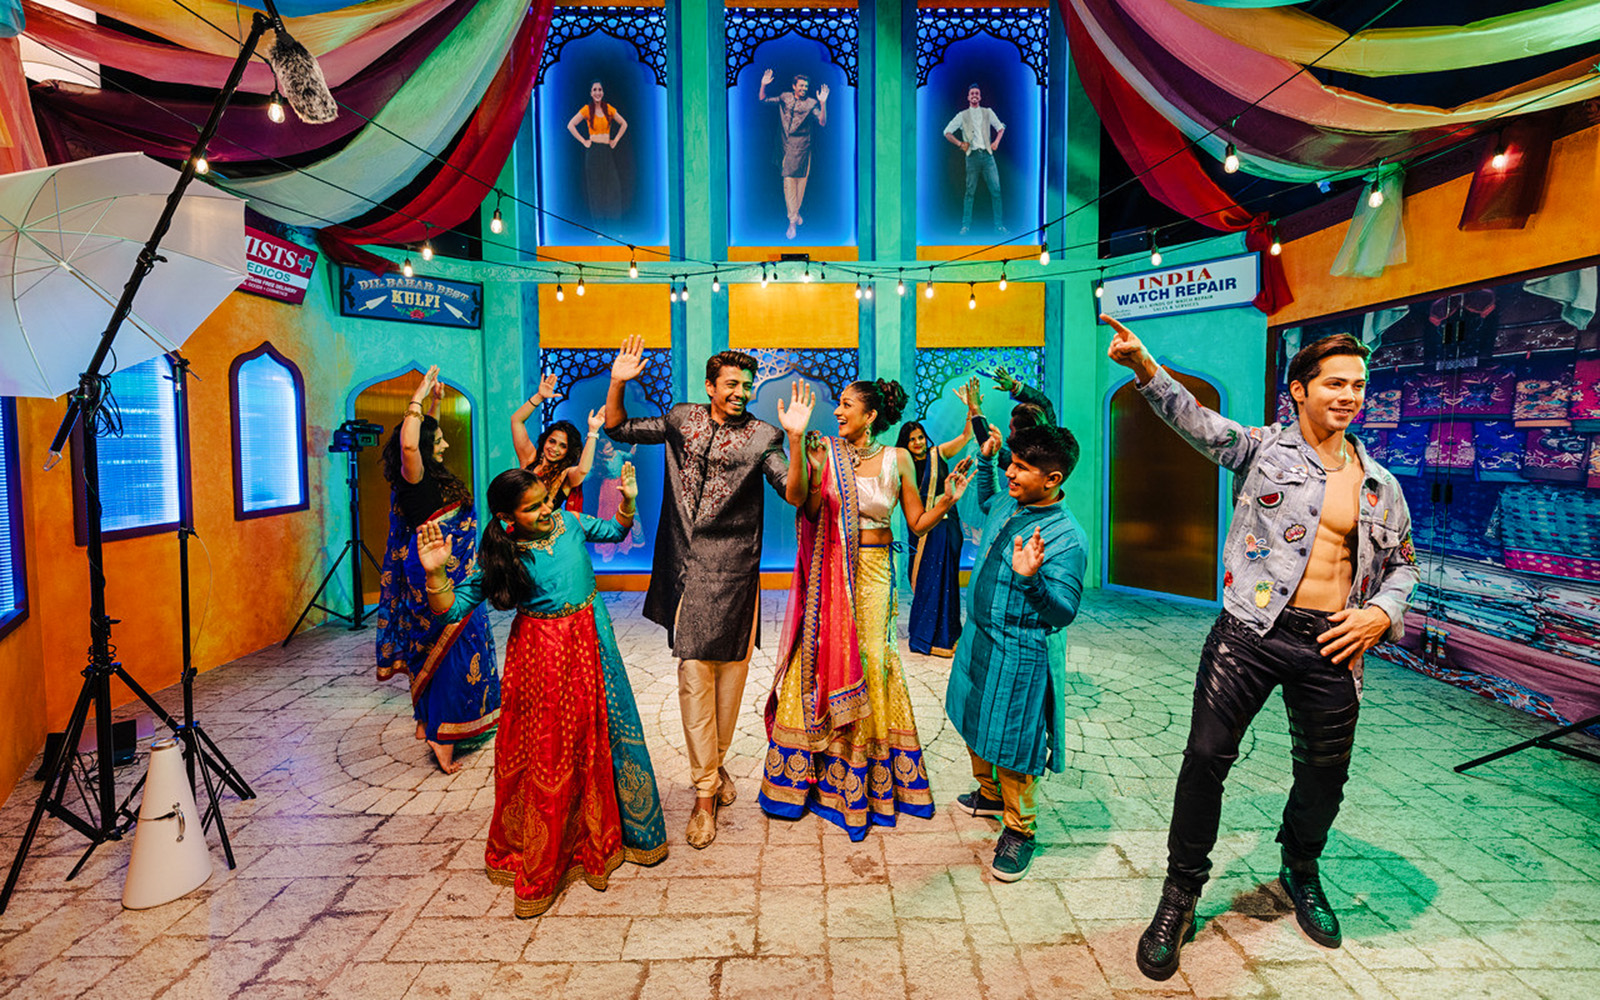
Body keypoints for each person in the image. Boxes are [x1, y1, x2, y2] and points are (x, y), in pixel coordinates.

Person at [1105, 316, 1419, 980]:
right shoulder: (1262, 450)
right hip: (1250, 632)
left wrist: (1381, 614)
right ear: (1299, 390)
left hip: (1333, 643)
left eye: (1358, 385)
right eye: (1334, 383)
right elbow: (1196, 422)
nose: (1349, 395)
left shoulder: (1380, 485)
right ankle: (1180, 894)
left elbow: (1404, 566)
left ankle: (1300, 868)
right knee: (1204, 758)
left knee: (1324, 776)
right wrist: (1146, 369)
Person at [418, 465, 668, 918]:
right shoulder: (503, 554)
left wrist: (629, 501)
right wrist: (436, 575)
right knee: (552, 751)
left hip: (593, 638)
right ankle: (554, 849)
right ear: (507, 518)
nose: (547, 510)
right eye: (533, 508)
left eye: (546, 499)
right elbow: (452, 609)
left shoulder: (570, 522)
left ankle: (617, 833)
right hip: (544, 655)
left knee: (607, 732)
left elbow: (615, 531)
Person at [760, 378, 970, 840]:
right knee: (822, 654)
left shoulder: (899, 459)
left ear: (871, 415)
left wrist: (946, 501)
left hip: (875, 573)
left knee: (872, 660)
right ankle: (814, 773)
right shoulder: (824, 451)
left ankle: (866, 777)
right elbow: (801, 503)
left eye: (847, 404)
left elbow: (916, 522)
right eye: (838, 404)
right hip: (830, 567)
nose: (838, 411)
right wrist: (796, 442)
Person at [604, 338, 789, 848]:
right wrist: (618, 381)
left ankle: (715, 764)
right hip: (687, 570)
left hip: (736, 574)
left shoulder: (763, 435)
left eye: (747, 385)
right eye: (731, 384)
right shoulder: (682, 420)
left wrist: (796, 442)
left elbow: (789, 489)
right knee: (692, 674)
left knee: (730, 680)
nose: (740, 392)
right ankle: (704, 791)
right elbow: (618, 427)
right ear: (710, 386)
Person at [946, 424, 1087, 882]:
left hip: (1018, 653)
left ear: (1053, 479)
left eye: (1022, 468)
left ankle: (1020, 829)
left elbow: (1064, 611)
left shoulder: (1066, 538)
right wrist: (987, 462)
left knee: (1012, 743)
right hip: (979, 639)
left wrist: (1031, 580)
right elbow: (988, 501)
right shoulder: (1011, 501)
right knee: (972, 720)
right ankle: (988, 795)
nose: (1011, 472)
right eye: (1012, 462)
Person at [375, 365, 501, 774]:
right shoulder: (414, 476)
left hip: (450, 567)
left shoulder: (428, 475)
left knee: (443, 645)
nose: (445, 442)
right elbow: (412, 445)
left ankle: (426, 719)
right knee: (450, 650)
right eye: (439, 438)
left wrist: (434, 405)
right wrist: (417, 395)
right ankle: (441, 737)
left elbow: (422, 439)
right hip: (434, 568)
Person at [896, 377, 982, 657]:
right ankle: (924, 637)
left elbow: (966, 436)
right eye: (912, 439)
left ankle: (948, 635)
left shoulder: (938, 453)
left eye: (920, 437)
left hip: (947, 527)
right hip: (922, 529)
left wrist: (971, 409)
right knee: (926, 581)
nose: (917, 442)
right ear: (905, 443)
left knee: (947, 581)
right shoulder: (902, 465)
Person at [510, 372, 602, 513]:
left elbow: (583, 470)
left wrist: (593, 432)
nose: (555, 448)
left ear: (568, 451)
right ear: (545, 440)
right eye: (552, 441)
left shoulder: (565, 475)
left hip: (543, 527)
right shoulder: (529, 459)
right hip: (515, 525)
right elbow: (516, 421)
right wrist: (539, 397)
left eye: (563, 446)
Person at [758, 68, 828, 240]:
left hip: (802, 149)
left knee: (800, 185)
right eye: (801, 86)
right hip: (785, 147)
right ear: (794, 86)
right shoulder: (785, 97)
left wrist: (823, 103)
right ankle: (792, 221)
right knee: (789, 184)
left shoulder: (811, 103)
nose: (804, 89)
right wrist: (763, 84)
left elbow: (822, 122)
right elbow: (763, 99)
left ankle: (794, 215)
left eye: (806, 86)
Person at [943, 84, 1006, 236]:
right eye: (972, 93)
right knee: (970, 191)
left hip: (987, 156)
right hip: (972, 157)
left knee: (996, 190)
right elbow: (947, 132)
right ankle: (966, 226)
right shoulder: (962, 115)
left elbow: (1000, 127)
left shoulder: (987, 112)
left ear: (980, 96)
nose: (974, 95)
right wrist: (960, 144)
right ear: (968, 97)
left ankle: (999, 226)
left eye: (977, 93)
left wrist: (996, 142)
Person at [566, 80, 628, 224]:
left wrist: (615, 140)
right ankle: (599, 229)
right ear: (591, 93)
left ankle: (614, 227)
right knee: (595, 189)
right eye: (594, 90)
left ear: (603, 92)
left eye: (600, 89)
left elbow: (624, 123)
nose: (597, 92)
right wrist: (584, 141)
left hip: (606, 151)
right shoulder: (587, 109)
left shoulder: (608, 109)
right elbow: (571, 125)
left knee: (613, 188)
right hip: (593, 151)